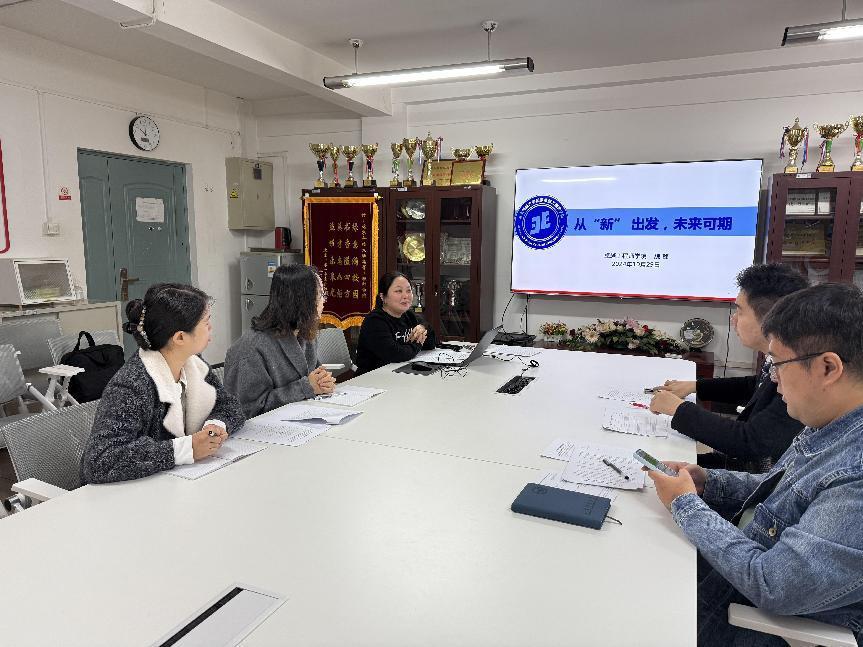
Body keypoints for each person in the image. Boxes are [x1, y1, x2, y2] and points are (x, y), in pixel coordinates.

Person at [647, 283, 863, 645]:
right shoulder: (829, 423)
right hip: (727, 577)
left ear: (828, 367)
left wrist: (685, 505)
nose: (772, 381)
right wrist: (709, 482)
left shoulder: (855, 475)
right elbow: (786, 488)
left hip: (740, 620)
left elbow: (773, 584)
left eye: (778, 365)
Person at [81, 284, 245, 484]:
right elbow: (100, 461)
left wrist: (214, 426)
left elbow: (229, 406)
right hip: (127, 495)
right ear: (180, 337)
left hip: (177, 484)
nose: (210, 327)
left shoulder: (193, 364)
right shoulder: (132, 385)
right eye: (206, 322)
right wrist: (185, 449)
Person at [650, 263, 808, 470]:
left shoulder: (800, 373)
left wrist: (679, 409)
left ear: (770, 318)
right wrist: (695, 386)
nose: (734, 319)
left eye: (740, 311)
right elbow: (754, 386)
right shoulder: (777, 359)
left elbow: (751, 442)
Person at [225, 264, 335, 417]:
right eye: (320, 295)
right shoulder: (252, 348)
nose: (324, 301)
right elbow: (247, 410)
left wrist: (323, 382)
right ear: (302, 301)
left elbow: (314, 377)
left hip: (300, 417)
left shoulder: (304, 333)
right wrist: (305, 388)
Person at [355, 272, 437, 375]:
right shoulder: (374, 321)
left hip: (400, 374)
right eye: (398, 291)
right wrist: (418, 343)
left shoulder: (409, 316)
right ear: (383, 297)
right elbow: (395, 354)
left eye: (408, 290)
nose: (405, 296)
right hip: (372, 378)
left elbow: (431, 345)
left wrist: (424, 328)